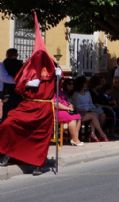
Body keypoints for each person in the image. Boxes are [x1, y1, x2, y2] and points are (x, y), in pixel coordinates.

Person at [0, 15, 59, 175]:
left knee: (40, 137)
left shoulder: (54, 71)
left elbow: (58, 84)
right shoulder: (27, 71)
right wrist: (26, 83)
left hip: (44, 107)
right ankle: (7, 152)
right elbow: (18, 88)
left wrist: (57, 73)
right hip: (28, 106)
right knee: (9, 123)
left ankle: (39, 163)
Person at [72, 76, 109, 142]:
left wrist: (93, 108)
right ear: (82, 84)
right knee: (94, 115)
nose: (87, 84)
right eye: (85, 83)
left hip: (88, 111)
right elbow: (76, 106)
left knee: (100, 115)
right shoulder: (76, 94)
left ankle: (93, 133)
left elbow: (90, 103)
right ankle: (101, 134)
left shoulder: (87, 93)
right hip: (80, 113)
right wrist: (87, 109)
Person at [55, 79, 84, 146]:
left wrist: (69, 105)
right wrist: (67, 108)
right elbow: (56, 104)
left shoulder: (62, 92)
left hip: (64, 109)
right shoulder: (54, 92)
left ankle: (75, 138)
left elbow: (66, 102)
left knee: (78, 116)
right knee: (72, 118)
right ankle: (75, 140)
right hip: (57, 111)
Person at [1, 48, 22, 119]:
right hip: (18, 90)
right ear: (16, 55)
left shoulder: (4, 63)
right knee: (17, 111)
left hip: (6, 90)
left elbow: (4, 78)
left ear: (7, 55)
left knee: (7, 112)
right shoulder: (19, 63)